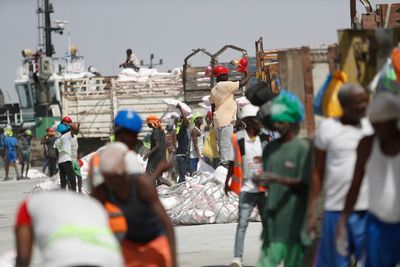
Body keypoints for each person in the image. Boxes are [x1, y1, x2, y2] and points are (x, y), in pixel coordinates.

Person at [307, 84, 371, 267]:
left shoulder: (371, 128)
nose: (362, 106)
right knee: (334, 263)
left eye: (364, 101)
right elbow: (318, 171)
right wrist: (312, 210)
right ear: (343, 103)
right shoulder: (327, 129)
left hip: (367, 209)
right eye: (357, 103)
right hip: (335, 209)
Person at [336, 92, 400, 267]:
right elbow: (355, 185)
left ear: (394, 122)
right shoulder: (367, 145)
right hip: (377, 226)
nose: (377, 130)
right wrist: (343, 220)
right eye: (374, 125)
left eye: (381, 125)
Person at [91, 141, 177, 267]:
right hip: (130, 243)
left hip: (156, 240)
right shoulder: (103, 190)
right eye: (107, 179)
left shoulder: (142, 185)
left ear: (124, 174)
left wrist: (174, 262)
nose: (112, 184)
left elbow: (166, 224)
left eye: (115, 178)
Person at [255, 91, 311, 267]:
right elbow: (268, 179)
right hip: (274, 222)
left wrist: (278, 179)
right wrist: (261, 180)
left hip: (296, 222)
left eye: (282, 121)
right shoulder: (269, 149)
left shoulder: (303, 148)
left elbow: (306, 184)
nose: (278, 125)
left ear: (292, 121)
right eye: (276, 121)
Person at [14, 190, 124, 267]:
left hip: (64, 258)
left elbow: (23, 257)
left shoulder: (28, 204)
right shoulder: (92, 204)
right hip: (110, 259)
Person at [225, 104, 266, 267]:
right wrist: (228, 182)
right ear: (249, 122)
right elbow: (232, 161)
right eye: (256, 121)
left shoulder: (264, 138)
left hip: (263, 189)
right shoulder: (238, 138)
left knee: (267, 224)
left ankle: (268, 256)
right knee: (242, 224)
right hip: (246, 188)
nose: (259, 124)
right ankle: (237, 258)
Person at [209, 65, 253, 167]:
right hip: (226, 121)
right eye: (225, 74)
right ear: (220, 76)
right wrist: (250, 75)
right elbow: (241, 83)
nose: (227, 76)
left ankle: (227, 167)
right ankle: (225, 169)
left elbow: (212, 106)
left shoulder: (213, 89)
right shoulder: (224, 85)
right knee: (225, 150)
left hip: (219, 120)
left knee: (224, 146)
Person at [145, 115, 167, 186]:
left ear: (152, 123)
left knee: (149, 173)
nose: (147, 124)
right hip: (161, 156)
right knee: (156, 176)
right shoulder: (160, 130)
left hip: (156, 157)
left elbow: (157, 146)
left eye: (148, 123)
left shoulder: (155, 131)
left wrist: (148, 154)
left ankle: (166, 183)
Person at [54, 123, 77, 191]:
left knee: (63, 180)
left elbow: (56, 153)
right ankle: (74, 194)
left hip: (60, 162)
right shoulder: (67, 135)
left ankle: (63, 195)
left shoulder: (57, 140)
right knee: (72, 178)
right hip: (67, 161)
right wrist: (71, 125)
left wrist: (57, 161)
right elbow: (75, 131)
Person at [175, 104, 191, 183]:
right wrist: (180, 109)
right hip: (181, 156)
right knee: (182, 176)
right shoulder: (182, 130)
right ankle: (180, 191)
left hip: (184, 155)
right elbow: (184, 120)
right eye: (188, 120)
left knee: (184, 175)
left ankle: (181, 190)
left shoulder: (185, 131)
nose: (189, 121)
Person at [70, 123, 83, 193]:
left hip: (75, 159)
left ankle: (80, 190)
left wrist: (78, 126)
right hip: (69, 159)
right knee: (71, 176)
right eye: (74, 130)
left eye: (75, 130)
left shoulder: (75, 137)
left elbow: (77, 132)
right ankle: (72, 191)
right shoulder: (67, 138)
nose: (75, 131)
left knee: (79, 176)